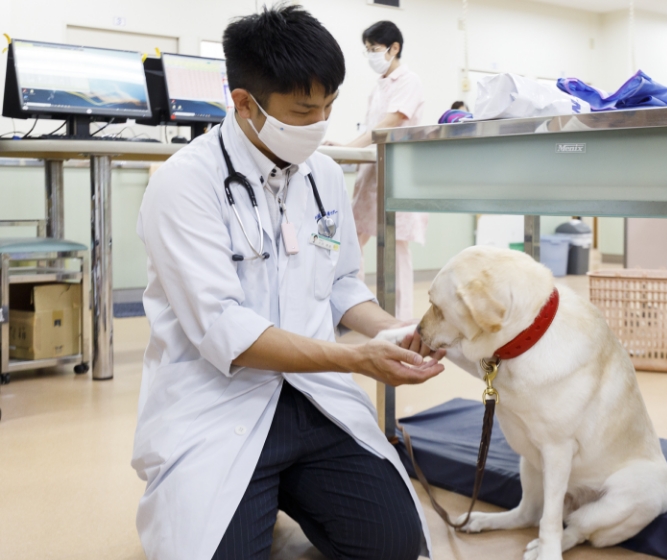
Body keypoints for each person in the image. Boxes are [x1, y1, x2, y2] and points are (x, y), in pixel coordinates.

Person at [130, 6, 444, 560]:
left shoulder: (322, 174)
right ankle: (252, 491)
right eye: (303, 110)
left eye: (329, 106)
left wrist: (393, 330)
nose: (321, 124)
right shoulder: (185, 185)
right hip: (218, 401)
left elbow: (343, 280)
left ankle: (284, 487)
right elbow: (228, 332)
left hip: (312, 395)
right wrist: (355, 360)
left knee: (394, 545)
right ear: (245, 103)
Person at [339, 20, 427, 321]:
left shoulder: (408, 80)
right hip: (373, 172)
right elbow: (370, 127)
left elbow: (389, 122)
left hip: (397, 173)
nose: (371, 55)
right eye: (368, 50)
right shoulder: (379, 87)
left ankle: (399, 319)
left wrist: (350, 147)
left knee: (396, 248)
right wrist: (347, 146)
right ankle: (356, 308)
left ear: (394, 48)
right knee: (352, 240)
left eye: (374, 49)